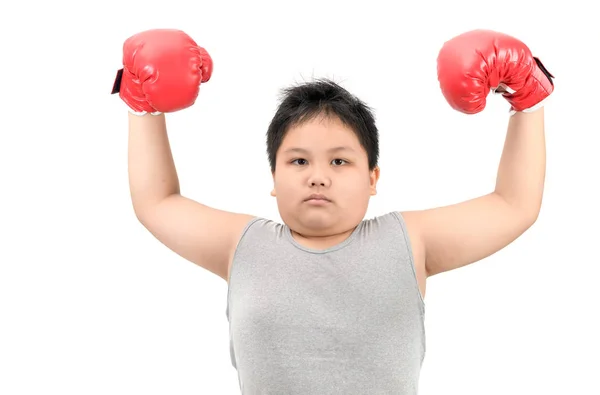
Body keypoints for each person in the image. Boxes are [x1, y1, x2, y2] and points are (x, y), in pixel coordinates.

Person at [112, 28, 553, 394]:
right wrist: (140, 104)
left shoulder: (408, 240)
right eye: (298, 161)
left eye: (339, 161)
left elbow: (513, 204)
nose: (317, 176)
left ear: (372, 179)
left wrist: (528, 98)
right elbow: (157, 202)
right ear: (273, 177)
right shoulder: (242, 244)